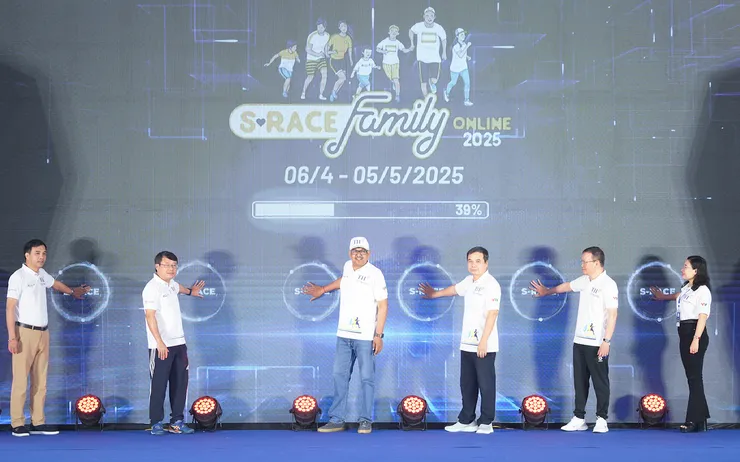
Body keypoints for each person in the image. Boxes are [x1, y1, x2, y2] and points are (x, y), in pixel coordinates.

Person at [302, 237, 388, 434]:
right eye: (355, 251)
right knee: (339, 377)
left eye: (363, 251)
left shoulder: (375, 274)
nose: (359, 254)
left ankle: (365, 420)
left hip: (366, 337)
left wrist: (378, 335)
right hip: (343, 335)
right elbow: (345, 280)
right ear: (350, 253)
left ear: (369, 254)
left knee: (366, 379)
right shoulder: (348, 266)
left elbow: (383, 306)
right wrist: (323, 289)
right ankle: (337, 419)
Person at [6, 239, 90, 437]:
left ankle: (38, 421)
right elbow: (10, 308)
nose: (41, 257)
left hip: (43, 333)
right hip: (24, 332)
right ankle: (17, 423)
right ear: (27, 255)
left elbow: (56, 284)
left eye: (44, 253)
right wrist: (12, 337)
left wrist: (72, 292)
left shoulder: (41, 274)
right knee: (21, 381)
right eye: (37, 253)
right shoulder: (18, 277)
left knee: (40, 381)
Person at [530, 246, 618, 433]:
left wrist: (606, 341)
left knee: (600, 381)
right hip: (580, 341)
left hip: (597, 343)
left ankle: (602, 419)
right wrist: (547, 291)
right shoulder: (584, 281)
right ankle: (579, 418)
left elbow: (613, 315)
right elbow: (566, 286)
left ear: (597, 263)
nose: (582, 265)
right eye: (581, 261)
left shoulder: (608, 284)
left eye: (585, 262)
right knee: (580, 382)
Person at [418, 246, 501, 435]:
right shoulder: (469, 281)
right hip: (467, 343)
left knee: (486, 384)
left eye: (478, 261)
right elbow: (455, 289)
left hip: (484, 345)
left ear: (486, 263)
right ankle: (467, 420)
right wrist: (434, 294)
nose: (473, 265)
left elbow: (493, 313)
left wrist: (483, 341)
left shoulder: (491, 284)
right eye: (470, 261)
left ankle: (486, 422)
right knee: (467, 384)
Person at [143, 251, 206, 435]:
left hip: (179, 344)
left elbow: (181, 289)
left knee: (180, 384)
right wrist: (160, 342)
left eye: (174, 265)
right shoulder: (152, 288)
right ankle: (156, 422)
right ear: (157, 266)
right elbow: (149, 316)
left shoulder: (172, 284)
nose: (171, 269)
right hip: (161, 346)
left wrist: (191, 292)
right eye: (167, 265)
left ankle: (177, 421)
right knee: (159, 385)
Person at [650, 256, 711, 432]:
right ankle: (701, 419)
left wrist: (696, 339)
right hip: (684, 333)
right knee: (692, 378)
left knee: (694, 378)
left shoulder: (703, 290)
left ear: (696, 270)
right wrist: (663, 297)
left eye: (686, 266)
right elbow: (680, 296)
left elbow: (702, 316)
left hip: (694, 333)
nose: (682, 269)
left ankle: (693, 420)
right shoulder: (687, 288)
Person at [408, 7, 447, 96]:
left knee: (434, 80)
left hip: (435, 58)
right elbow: (411, 31)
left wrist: (444, 52)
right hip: (422, 58)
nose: (429, 18)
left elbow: (444, 39)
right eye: (427, 15)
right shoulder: (419, 26)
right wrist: (412, 43)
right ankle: (426, 99)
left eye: (431, 16)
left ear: (434, 17)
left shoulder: (438, 28)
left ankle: (431, 83)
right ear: (424, 16)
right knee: (423, 82)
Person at [376, 25, 410, 103]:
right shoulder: (385, 41)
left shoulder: (398, 43)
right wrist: (383, 51)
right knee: (390, 79)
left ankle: (397, 96)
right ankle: (393, 83)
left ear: (398, 33)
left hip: (395, 63)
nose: (393, 32)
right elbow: (377, 49)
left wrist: (409, 49)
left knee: (396, 80)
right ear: (389, 32)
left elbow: (404, 50)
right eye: (392, 31)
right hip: (386, 63)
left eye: (395, 31)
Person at [301, 18, 330, 100]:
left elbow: (326, 47)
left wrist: (327, 54)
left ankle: (321, 94)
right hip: (311, 59)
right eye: (318, 26)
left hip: (321, 58)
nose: (319, 29)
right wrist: (317, 54)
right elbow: (307, 49)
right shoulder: (312, 36)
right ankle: (303, 92)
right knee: (310, 77)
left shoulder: (327, 35)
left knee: (324, 75)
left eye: (321, 27)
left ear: (325, 28)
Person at [326, 20, 354, 102]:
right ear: (339, 28)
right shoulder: (335, 37)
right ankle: (333, 92)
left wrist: (351, 60)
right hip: (334, 60)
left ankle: (333, 94)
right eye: (342, 26)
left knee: (343, 80)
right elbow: (327, 48)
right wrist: (330, 53)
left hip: (342, 61)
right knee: (342, 78)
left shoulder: (348, 38)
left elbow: (350, 50)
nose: (344, 28)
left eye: (345, 26)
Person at [444, 28, 473, 106]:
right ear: (457, 36)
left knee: (467, 83)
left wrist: (467, 57)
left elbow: (463, 53)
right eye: (461, 34)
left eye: (464, 34)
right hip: (455, 68)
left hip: (464, 67)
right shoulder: (456, 46)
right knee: (453, 82)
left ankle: (466, 100)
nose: (463, 36)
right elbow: (460, 55)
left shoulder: (463, 44)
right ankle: (446, 92)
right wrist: (467, 46)